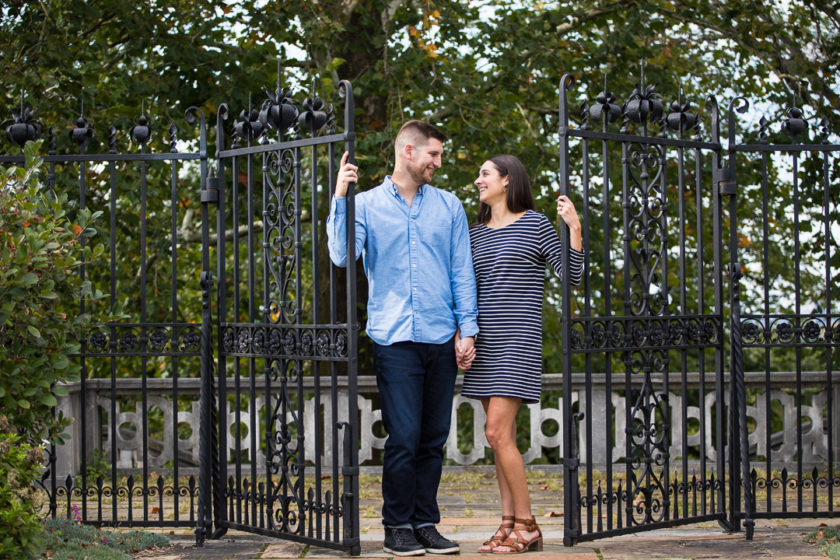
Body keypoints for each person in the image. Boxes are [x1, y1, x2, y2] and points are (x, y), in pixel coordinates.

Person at [327, 120, 479, 557]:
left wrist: (467, 328)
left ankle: (425, 522)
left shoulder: (449, 206)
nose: (438, 163)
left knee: (434, 436)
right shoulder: (368, 204)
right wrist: (340, 196)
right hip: (394, 337)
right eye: (433, 154)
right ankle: (397, 526)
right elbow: (341, 255)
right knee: (404, 435)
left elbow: (461, 271)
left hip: (439, 335)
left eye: (440, 156)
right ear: (407, 151)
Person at [458, 154, 583, 554]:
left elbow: (573, 276)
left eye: (485, 174)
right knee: (500, 438)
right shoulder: (474, 233)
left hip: (518, 341)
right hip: (485, 343)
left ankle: (528, 525)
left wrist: (575, 228)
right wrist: (464, 336)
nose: (478, 180)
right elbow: (465, 291)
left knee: (495, 431)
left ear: (508, 180)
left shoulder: (535, 223)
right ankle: (507, 524)